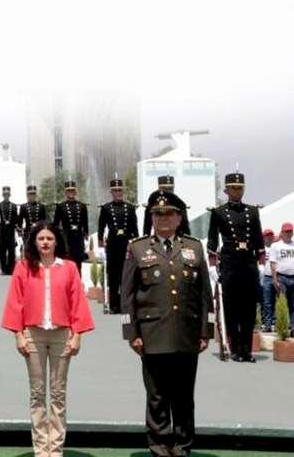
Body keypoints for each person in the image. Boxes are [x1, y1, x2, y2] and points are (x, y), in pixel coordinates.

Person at [122, 191, 212, 457]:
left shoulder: (194, 247)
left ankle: (182, 446)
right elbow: (127, 296)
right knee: (157, 396)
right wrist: (131, 333)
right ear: (151, 218)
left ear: (179, 217)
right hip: (152, 335)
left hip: (187, 334)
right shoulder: (138, 248)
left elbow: (205, 294)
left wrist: (206, 331)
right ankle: (159, 446)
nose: (163, 218)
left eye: (169, 213)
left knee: (184, 395)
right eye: (158, 214)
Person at [1, 222, 94, 457]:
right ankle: (41, 448)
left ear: (56, 242)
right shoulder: (23, 267)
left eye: (49, 238)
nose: (45, 243)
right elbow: (15, 302)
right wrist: (18, 335)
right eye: (41, 238)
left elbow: (77, 302)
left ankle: (56, 448)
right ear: (34, 242)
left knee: (58, 392)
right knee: (37, 392)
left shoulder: (69, 268)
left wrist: (77, 335)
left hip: (62, 335)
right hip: (33, 335)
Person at [206, 172, 264, 362]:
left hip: (248, 265)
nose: (237, 191)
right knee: (231, 309)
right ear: (226, 190)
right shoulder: (218, 212)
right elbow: (212, 242)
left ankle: (247, 350)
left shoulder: (252, 212)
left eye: (240, 188)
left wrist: (261, 264)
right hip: (230, 265)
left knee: (248, 309)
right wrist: (212, 266)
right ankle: (236, 349)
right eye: (234, 188)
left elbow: (258, 239)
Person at [97, 178, 139, 314]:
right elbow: (101, 226)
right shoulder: (106, 208)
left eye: (120, 190)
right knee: (113, 275)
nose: (118, 193)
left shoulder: (130, 208)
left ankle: (126, 304)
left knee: (126, 274)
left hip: (126, 243)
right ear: (111, 192)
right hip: (113, 244)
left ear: (123, 191)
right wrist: (100, 240)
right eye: (115, 191)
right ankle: (114, 305)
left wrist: (137, 242)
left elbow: (134, 227)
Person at [52, 181, 88, 275]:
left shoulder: (82, 206)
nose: (71, 192)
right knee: (66, 262)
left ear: (76, 192)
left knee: (78, 264)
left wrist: (86, 235)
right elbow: (55, 224)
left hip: (78, 238)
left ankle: (78, 281)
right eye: (68, 190)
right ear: (65, 192)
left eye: (72, 190)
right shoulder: (61, 206)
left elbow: (85, 223)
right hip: (66, 238)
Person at [270, 222, 294, 337]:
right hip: (282, 277)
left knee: (293, 304)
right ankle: (282, 327)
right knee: (282, 303)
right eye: (287, 232)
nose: (289, 234)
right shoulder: (276, 246)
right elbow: (273, 263)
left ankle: (293, 328)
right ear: (282, 233)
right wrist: (275, 279)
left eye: (290, 231)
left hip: (293, 277)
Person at [0, 187, 19, 275]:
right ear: (3, 195)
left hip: (11, 231)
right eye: (5, 194)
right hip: (2, 231)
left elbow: (16, 219)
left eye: (7, 194)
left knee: (11, 251)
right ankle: (4, 269)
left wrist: (18, 229)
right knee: (2, 251)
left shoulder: (14, 206)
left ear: (9, 195)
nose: (6, 195)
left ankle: (11, 269)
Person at [18, 185, 48, 254]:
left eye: (33, 194)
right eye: (30, 194)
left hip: (39, 232)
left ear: (36, 195)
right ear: (27, 195)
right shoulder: (23, 207)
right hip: (28, 232)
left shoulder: (41, 206)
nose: (32, 195)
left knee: (39, 252)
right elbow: (20, 221)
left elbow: (44, 220)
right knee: (28, 252)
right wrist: (19, 232)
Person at [260, 228, 277, 332]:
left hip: (277, 276)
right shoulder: (261, 248)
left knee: (278, 300)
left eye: (271, 235)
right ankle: (267, 322)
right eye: (267, 236)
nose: (269, 237)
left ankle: (276, 321)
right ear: (263, 237)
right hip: (264, 277)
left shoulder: (277, 246)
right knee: (266, 302)